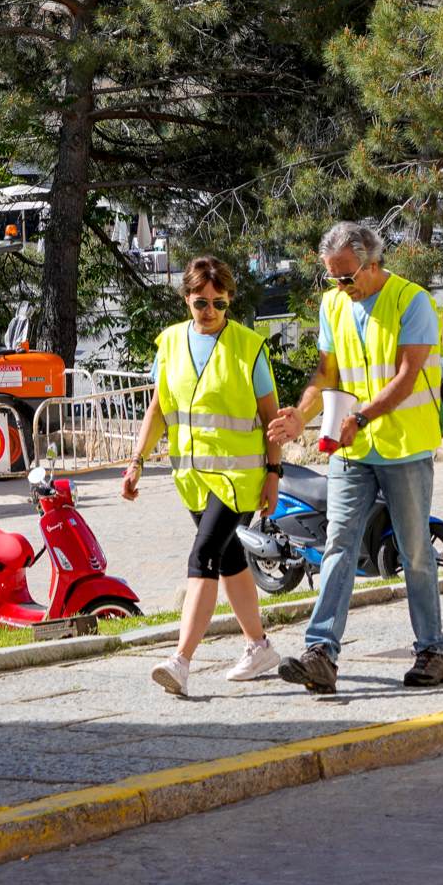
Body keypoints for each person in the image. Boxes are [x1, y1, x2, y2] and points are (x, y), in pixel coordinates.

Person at [267, 222, 443, 694]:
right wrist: (299, 415)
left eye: (347, 277)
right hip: (351, 449)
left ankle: (432, 651)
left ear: (373, 264)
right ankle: (321, 653)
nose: (341, 287)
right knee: (338, 546)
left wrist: (362, 418)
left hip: (404, 446)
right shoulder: (334, 305)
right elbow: (326, 371)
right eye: (332, 278)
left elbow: (408, 377)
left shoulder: (413, 301)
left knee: (414, 552)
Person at [125, 257, 284, 698]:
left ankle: (181, 661)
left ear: (229, 299)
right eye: (200, 302)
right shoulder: (171, 343)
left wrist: (273, 475)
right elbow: (158, 409)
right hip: (192, 478)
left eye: (218, 302)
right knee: (230, 560)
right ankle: (259, 646)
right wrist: (137, 460)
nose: (210, 310)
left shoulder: (249, 346)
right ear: (187, 300)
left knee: (203, 557)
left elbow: (271, 417)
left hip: (238, 479)